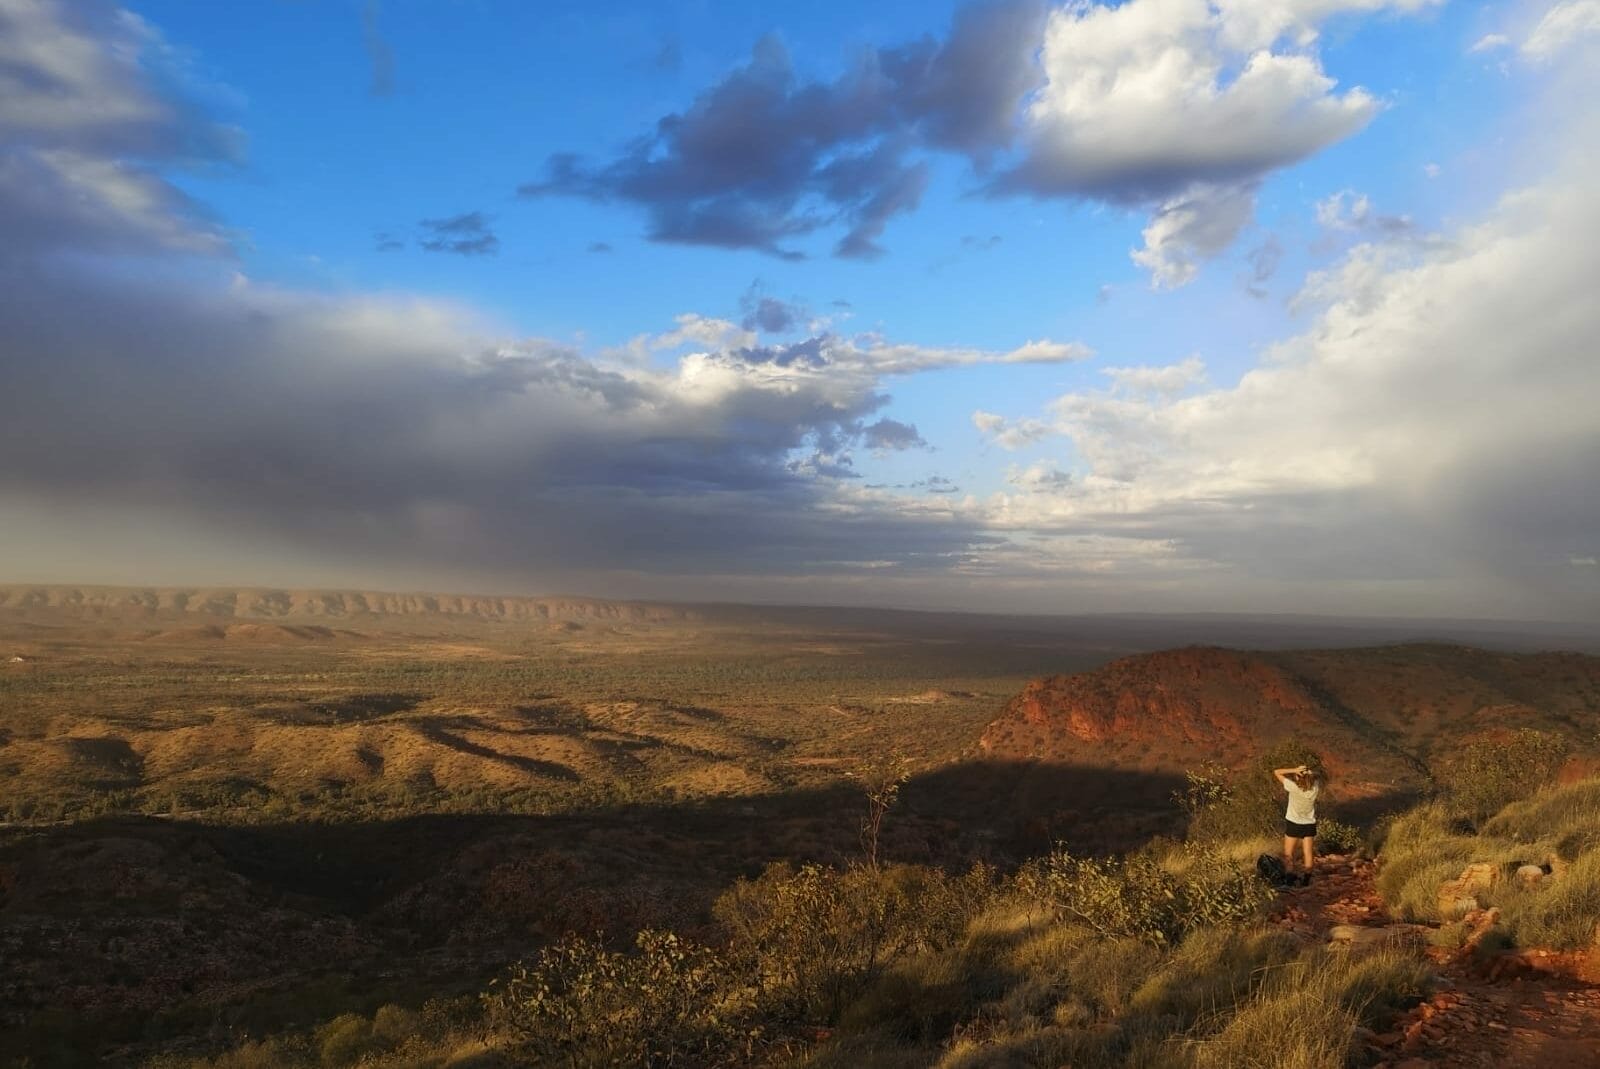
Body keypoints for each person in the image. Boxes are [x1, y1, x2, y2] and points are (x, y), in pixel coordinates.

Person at [1273, 763, 1321, 886]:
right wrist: (1307, 772)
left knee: (1289, 854)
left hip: (1294, 823)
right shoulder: (1314, 788)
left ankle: (1289, 880)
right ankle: (1306, 880)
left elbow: (1277, 771)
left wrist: (1294, 769)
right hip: (1309, 824)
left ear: (1298, 777)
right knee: (1308, 853)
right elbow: (1315, 776)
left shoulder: (1293, 787)